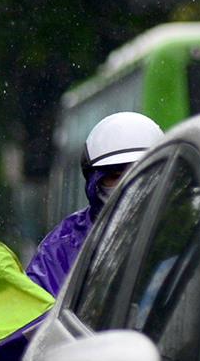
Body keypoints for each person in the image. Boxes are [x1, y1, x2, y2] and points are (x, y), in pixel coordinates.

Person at [25, 111, 162, 297]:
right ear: (94, 184)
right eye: (116, 177)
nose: (130, 185)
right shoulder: (61, 250)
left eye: (142, 173)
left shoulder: (190, 229)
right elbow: (39, 319)